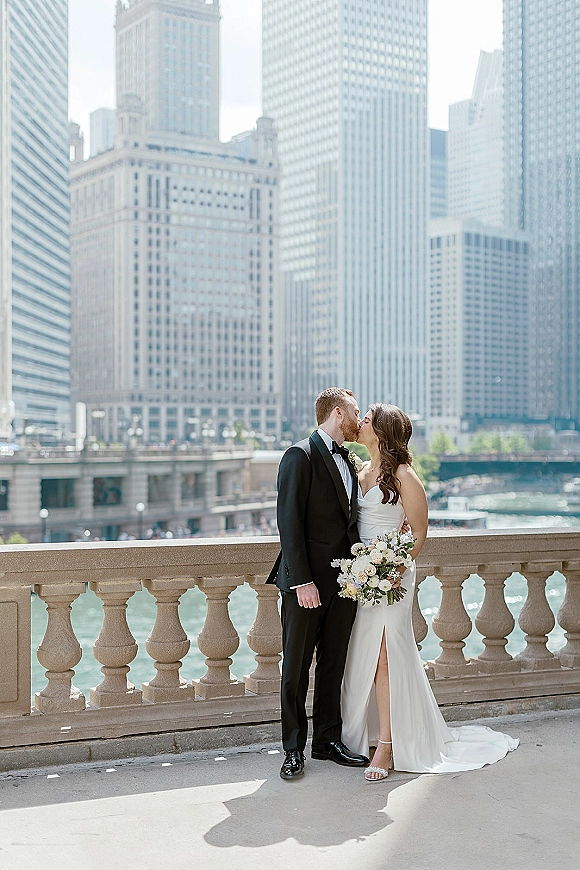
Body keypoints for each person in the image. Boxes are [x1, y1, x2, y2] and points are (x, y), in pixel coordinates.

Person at [341, 403, 519, 781]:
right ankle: (373, 732)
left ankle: (388, 745)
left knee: (388, 655)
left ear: (383, 430)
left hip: (393, 575)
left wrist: (391, 568)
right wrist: (364, 569)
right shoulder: (360, 471)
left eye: (368, 418)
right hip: (364, 574)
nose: (361, 422)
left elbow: (419, 533)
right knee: (367, 656)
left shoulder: (405, 476)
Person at [267, 388, 370, 781]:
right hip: (306, 585)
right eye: (357, 413)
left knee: (333, 664)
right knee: (295, 668)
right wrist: (303, 581)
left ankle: (327, 742)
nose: (360, 420)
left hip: (345, 582)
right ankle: (293, 749)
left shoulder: (349, 460)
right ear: (339, 413)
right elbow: (288, 523)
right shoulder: (300, 455)